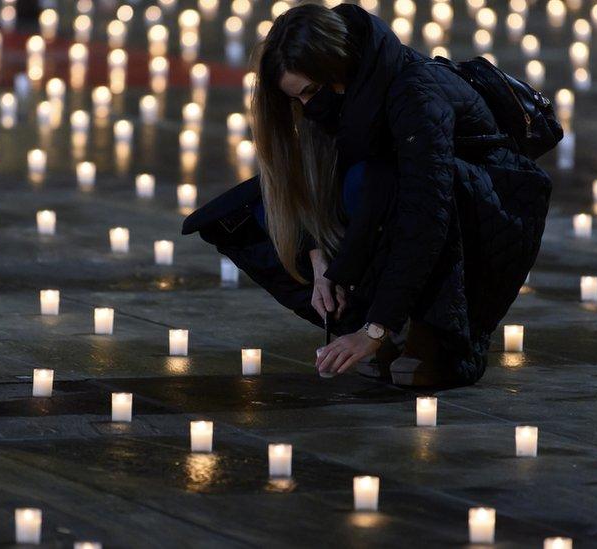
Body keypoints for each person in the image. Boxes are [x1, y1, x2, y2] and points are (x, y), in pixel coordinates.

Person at [182, 3, 552, 388]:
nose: (308, 108)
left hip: (488, 209)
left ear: (336, 66)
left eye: (311, 92)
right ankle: (394, 327)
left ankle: (428, 332)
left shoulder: (414, 93)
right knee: (257, 209)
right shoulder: (345, 97)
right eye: (298, 100)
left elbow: (426, 213)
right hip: (414, 201)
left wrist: (375, 327)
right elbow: (317, 184)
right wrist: (319, 258)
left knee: (376, 181)